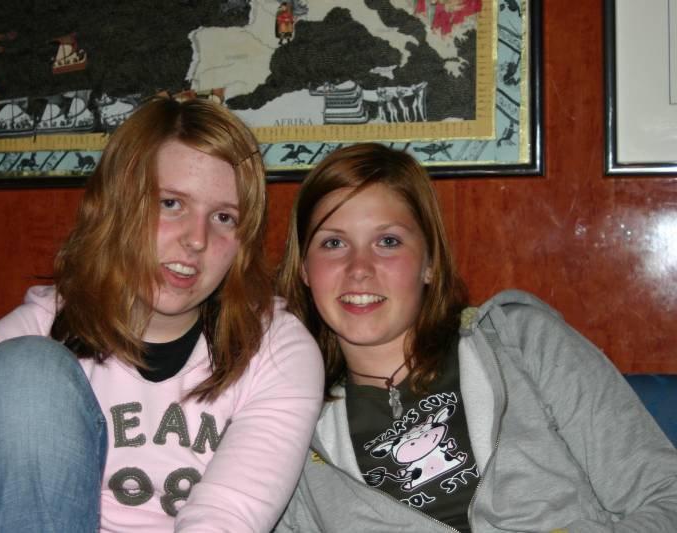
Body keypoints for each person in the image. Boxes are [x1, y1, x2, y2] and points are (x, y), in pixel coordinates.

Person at [0, 97, 324, 532]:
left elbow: (224, 521)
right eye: (170, 203)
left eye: (225, 217)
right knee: (25, 370)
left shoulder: (275, 350)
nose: (197, 239)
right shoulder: (38, 330)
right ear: (118, 205)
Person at [274, 143, 677, 532]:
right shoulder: (289, 426)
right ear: (305, 269)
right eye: (333, 243)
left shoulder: (520, 342)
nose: (359, 268)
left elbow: (666, 498)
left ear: (430, 262)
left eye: (388, 241)